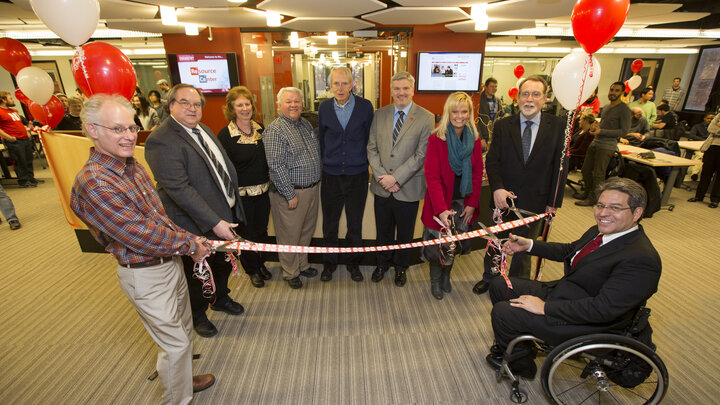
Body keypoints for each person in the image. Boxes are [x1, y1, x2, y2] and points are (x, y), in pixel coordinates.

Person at [70, 94, 216, 404]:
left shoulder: (130, 165)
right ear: (92, 130)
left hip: (169, 262)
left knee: (183, 330)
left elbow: (157, 219)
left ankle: (183, 380)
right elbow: (138, 235)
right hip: (144, 274)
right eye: (118, 129)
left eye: (132, 128)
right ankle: (178, 399)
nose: (128, 136)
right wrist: (191, 243)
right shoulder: (95, 182)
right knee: (175, 344)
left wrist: (189, 243)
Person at [485, 177, 661, 378]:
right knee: (500, 284)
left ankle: (521, 367)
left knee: (504, 313)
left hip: (586, 321)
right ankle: (520, 346)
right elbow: (571, 250)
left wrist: (544, 307)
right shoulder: (602, 231)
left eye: (615, 208)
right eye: (601, 205)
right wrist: (529, 245)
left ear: (637, 212)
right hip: (568, 293)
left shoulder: (641, 260)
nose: (603, 213)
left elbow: (602, 310)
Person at [145, 84, 246, 338]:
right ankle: (198, 315)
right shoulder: (161, 140)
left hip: (224, 215)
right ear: (170, 106)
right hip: (195, 224)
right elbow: (179, 189)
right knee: (198, 274)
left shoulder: (203, 129)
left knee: (222, 264)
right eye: (185, 103)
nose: (192, 108)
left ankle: (220, 298)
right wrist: (214, 222)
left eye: (197, 104)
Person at [473, 75, 566, 294]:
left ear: (545, 98)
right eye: (525, 94)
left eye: (535, 94)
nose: (529, 99)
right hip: (503, 198)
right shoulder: (504, 125)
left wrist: (554, 203)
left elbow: (560, 168)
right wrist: (496, 188)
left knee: (525, 246)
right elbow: (493, 160)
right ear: (518, 98)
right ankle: (490, 277)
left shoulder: (558, 126)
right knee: (496, 242)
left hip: (536, 200)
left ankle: (517, 285)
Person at [367, 72, 434, 287]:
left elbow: (421, 155)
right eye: (397, 89)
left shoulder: (426, 117)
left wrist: (396, 178)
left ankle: (401, 268)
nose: (401, 93)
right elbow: (372, 148)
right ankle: (382, 264)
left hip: (408, 186)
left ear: (412, 90)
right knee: (383, 231)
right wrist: (382, 178)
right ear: (391, 90)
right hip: (381, 187)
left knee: (405, 233)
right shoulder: (380, 114)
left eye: (405, 88)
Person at [421, 92, 484, 300]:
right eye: (455, 111)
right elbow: (432, 176)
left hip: (462, 202)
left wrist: (472, 203)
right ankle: (436, 280)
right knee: (436, 247)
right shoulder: (436, 138)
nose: (459, 115)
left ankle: (447, 276)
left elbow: (476, 173)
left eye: (464, 111)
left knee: (453, 244)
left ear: (470, 113)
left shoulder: (473, 139)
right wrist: (441, 210)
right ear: (448, 112)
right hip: (440, 204)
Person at [317, 67, 374, 282]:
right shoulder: (324, 108)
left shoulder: (365, 107)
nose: (340, 88)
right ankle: (329, 264)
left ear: (352, 85)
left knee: (354, 223)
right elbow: (322, 140)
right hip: (331, 175)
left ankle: (354, 264)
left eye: (344, 83)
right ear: (330, 86)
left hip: (357, 176)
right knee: (329, 224)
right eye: (335, 84)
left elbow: (370, 139)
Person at [264, 87, 322, 289]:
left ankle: (302, 264)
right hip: (291, 193)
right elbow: (276, 166)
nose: (294, 105)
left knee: (305, 231)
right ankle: (290, 272)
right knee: (289, 234)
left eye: (297, 101)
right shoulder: (275, 130)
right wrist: (289, 194)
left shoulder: (304, 123)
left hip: (311, 189)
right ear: (279, 104)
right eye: (289, 101)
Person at [217, 86, 272, 288]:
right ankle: (252, 270)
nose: (244, 108)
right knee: (247, 234)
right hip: (242, 197)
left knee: (262, 232)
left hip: (263, 192)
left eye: (247, 103)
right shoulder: (225, 135)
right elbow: (222, 168)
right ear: (232, 108)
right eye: (239, 105)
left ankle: (261, 263)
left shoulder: (260, 128)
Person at [575, 81, 632, 206]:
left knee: (598, 174)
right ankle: (588, 192)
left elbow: (624, 131)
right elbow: (604, 125)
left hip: (607, 145)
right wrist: (595, 127)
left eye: (617, 90)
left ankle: (595, 198)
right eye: (612, 90)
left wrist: (602, 131)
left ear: (622, 93)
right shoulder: (606, 107)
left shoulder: (624, 110)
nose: (613, 93)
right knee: (585, 169)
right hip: (596, 142)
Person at [0, 91, 43, 188]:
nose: (12, 99)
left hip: (24, 138)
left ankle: (31, 178)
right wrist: (8, 137)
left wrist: (27, 132)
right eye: (10, 98)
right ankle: (24, 180)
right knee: (20, 161)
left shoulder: (13, 111)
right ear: (3, 100)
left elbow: (20, 124)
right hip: (14, 141)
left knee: (28, 159)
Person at [688, 114, 720, 208]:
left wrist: (717, 130)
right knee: (706, 172)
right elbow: (710, 129)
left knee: (719, 177)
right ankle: (699, 196)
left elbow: (715, 130)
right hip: (712, 147)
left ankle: (715, 200)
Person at [478, 77, 503, 150]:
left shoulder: (498, 101)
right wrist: (481, 138)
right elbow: (476, 120)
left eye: (496, 86)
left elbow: (501, 116)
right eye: (492, 86)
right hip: (483, 137)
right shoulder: (479, 100)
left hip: (495, 136)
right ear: (485, 87)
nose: (494, 89)